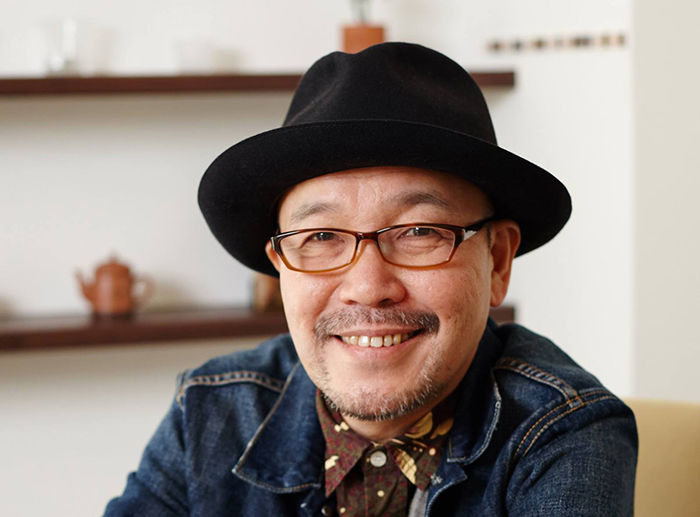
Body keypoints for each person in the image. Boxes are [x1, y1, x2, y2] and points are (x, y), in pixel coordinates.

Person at [104, 42, 637, 516]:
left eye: (419, 231)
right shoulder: (211, 412)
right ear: (281, 267)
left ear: (496, 261)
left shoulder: (561, 432)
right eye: (320, 236)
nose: (367, 286)